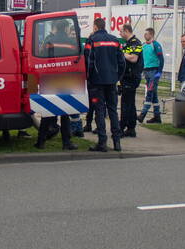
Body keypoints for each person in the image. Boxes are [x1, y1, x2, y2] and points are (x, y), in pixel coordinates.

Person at [84, 17, 126, 152]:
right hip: (112, 81)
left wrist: (88, 78)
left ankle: (102, 142)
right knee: (113, 111)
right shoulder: (115, 40)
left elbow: (88, 61)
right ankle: (117, 143)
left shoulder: (92, 40)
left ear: (95, 27)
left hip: (97, 82)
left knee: (99, 111)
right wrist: (117, 77)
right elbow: (122, 62)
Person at [35, 19, 78, 150]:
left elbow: (42, 57)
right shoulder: (72, 42)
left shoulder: (49, 41)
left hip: (50, 78)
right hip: (66, 79)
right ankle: (66, 143)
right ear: (65, 28)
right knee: (65, 113)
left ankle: (41, 142)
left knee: (48, 112)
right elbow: (76, 61)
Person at [118, 23, 143, 137]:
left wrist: (121, 53)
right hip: (127, 77)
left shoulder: (135, 43)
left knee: (126, 103)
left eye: (121, 31)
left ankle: (121, 127)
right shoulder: (128, 43)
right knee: (131, 103)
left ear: (126, 31)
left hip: (131, 77)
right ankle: (131, 128)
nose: (120, 33)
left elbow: (133, 58)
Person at [137, 27, 165, 124]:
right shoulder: (143, 45)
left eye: (146, 34)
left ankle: (142, 114)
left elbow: (161, 59)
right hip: (146, 72)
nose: (145, 35)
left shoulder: (156, 45)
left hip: (154, 72)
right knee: (154, 96)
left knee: (149, 93)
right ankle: (157, 117)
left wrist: (159, 72)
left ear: (151, 35)